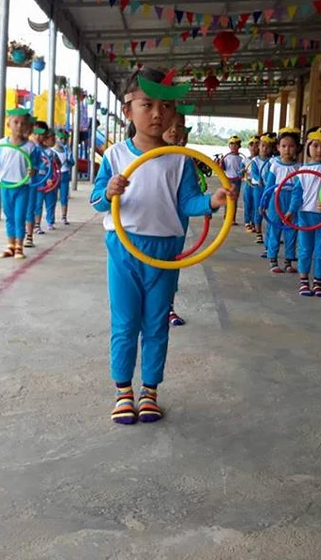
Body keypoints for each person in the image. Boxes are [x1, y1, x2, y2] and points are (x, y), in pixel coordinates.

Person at [91, 68, 233, 424]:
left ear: (174, 113)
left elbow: (187, 203)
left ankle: (150, 391)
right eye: (147, 104)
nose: (157, 113)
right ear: (128, 110)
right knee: (125, 323)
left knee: (156, 323)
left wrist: (212, 200)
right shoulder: (115, 156)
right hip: (124, 249)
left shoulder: (180, 158)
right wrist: (109, 191)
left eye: (165, 106)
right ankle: (123, 391)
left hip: (165, 250)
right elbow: (95, 201)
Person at [0, 110, 39, 259]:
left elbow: (37, 166)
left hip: (22, 187)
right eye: (16, 122)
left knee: (20, 217)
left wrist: (33, 171)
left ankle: (19, 247)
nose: (19, 126)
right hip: (5, 186)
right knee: (9, 216)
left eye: (23, 123)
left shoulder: (30, 147)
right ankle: (10, 246)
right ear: (8, 124)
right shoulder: (1, 144)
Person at [288, 127, 321, 297]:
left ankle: (317, 282)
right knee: (305, 249)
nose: (319, 150)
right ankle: (303, 280)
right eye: (315, 146)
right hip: (305, 214)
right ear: (308, 147)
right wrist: (291, 211)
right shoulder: (301, 170)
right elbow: (297, 194)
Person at [260, 127, 301, 273]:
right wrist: (263, 203)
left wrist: (294, 207)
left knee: (291, 229)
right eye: (284, 146)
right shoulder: (275, 165)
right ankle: (273, 259)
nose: (287, 149)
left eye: (291, 146)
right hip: (275, 199)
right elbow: (269, 186)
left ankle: (289, 261)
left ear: (297, 148)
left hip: (292, 200)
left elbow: (299, 189)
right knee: (274, 228)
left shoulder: (299, 167)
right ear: (278, 147)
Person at [163, 110, 191, 327]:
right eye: (169, 124)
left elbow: (190, 199)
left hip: (176, 224)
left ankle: (168, 307)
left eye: (179, 125)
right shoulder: (127, 154)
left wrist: (210, 203)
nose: (174, 129)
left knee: (171, 266)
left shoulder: (184, 160)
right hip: (142, 227)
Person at [251, 132, 276, 246]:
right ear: (259, 146)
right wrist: (259, 179)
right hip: (258, 187)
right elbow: (254, 173)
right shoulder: (255, 160)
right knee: (259, 209)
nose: (265, 149)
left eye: (268, 147)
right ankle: (258, 232)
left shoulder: (273, 160)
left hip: (269, 188)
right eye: (263, 146)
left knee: (271, 210)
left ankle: (272, 233)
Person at [222, 136, 247, 225]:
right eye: (232, 144)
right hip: (228, 179)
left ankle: (232, 218)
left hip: (237, 180)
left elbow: (242, 171)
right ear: (229, 146)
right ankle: (226, 216)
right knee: (227, 199)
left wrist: (243, 172)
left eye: (236, 144)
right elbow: (223, 168)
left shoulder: (241, 159)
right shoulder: (226, 157)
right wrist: (220, 162)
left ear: (239, 146)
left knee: (234, 199)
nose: (233, 146)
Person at [54, 128, 75, 225]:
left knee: (64, 197)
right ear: (57, 138)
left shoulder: (68, 151)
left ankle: (64, 217)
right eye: (61, 138)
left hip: (65, 175)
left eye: (65, 139)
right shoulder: (52, 151)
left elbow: (72, 163)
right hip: (55, 175)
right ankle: (51, 218)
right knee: (52, 198)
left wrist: (69, 160)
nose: (63, 141)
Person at [243, 136, 260, 233]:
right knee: (247, 203)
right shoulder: (245, 160)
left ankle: (254, 222)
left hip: (257, 185)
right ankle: (247, 222)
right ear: (248, 147)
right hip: (248, 183)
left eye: (256, 145)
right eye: (251, 145)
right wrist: (242, 171)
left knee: (255, 204)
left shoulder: (260, 160)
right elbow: (239, 173)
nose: (253, 147)